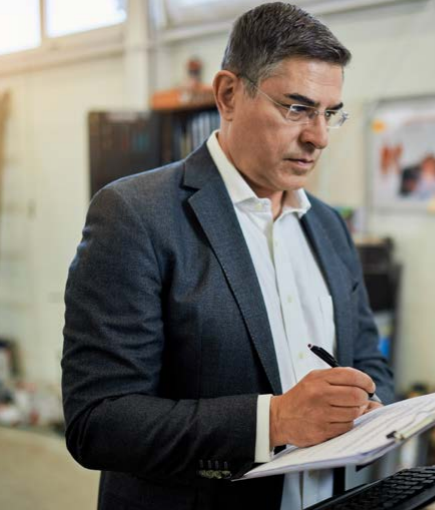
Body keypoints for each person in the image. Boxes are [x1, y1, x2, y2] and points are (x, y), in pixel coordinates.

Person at [61, 3, 394, 509]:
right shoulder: (135, 215)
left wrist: (371, 407)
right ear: (229, 95)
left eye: (330, 114)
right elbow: (99, 422)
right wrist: (275, 420)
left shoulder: (327, 225)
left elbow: (369, 359)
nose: (319, 137)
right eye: (297, 108)